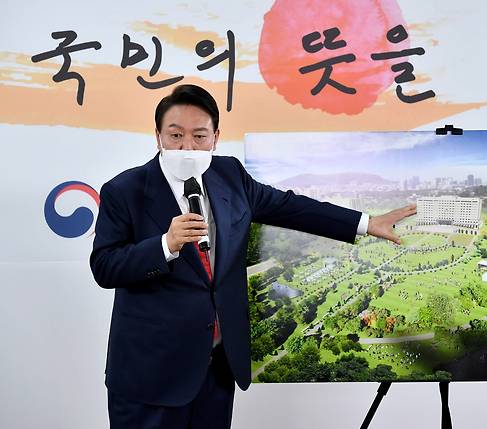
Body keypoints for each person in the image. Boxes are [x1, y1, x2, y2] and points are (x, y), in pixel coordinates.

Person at [90, 84, 416, 429]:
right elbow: (105, 266)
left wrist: (366, 223)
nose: (188, 146)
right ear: (157, 136)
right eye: (176, 136)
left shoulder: (229, 176)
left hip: (215, 369)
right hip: (151, 375)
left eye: (199, 136)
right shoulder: (123, 191)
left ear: (216, 136)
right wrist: (165, 245)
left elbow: (291, 207)